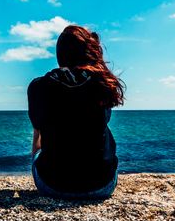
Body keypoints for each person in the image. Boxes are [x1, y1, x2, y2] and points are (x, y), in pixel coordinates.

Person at [27, 25, 125, 200]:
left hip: (52, 185)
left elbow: (37, 140)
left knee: (40, 144)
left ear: (59, 54)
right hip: (102, 186)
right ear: (89, 51)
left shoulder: (38, 86)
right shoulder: (101, 83)